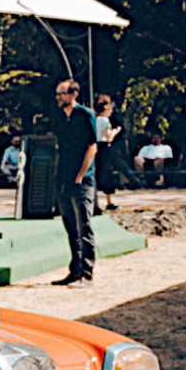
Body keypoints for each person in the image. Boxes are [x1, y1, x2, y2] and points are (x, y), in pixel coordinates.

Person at [51, 78, 97, 287]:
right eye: (57, 94)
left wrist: (80, 175)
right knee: (70, 225)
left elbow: (92, 147)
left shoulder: (85, 115)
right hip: (63, 177)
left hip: (82, 179)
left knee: (84, 226)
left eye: (62, 94)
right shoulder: (60, 118)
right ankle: (75, 270)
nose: (58, 98)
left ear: (73, 94)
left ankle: (86, 274)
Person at [93, 95, 119, 211]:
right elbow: (108, 137)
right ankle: (109, 201)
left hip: (95, 146)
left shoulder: (94, 119)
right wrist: (115, 131)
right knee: (107, 172)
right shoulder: (105, 121)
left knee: (96, 172)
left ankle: (95, 201)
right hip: (104, 147)